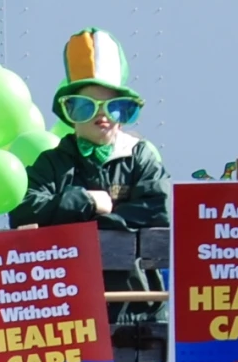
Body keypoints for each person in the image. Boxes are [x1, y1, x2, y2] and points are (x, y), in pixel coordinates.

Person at [11, 29, 170, 232]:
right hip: (70, 265)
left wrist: (95, 225)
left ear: (123, 114)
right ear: (70, 114)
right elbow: (22, 210)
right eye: (86, 106)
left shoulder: (139, 157)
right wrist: (87, 201)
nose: (101, 115)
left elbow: (161, 208)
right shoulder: (53, 163)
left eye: (113, 106)